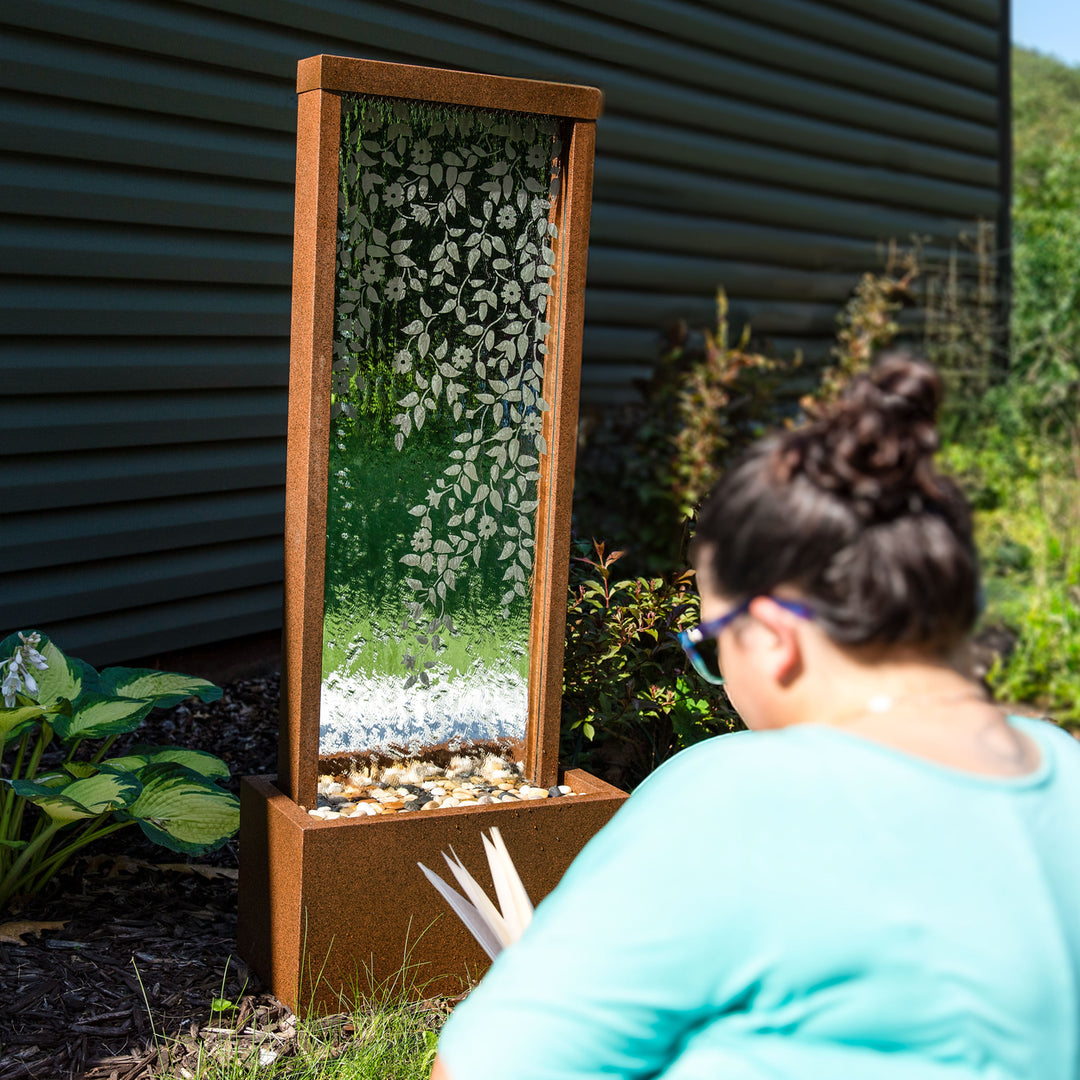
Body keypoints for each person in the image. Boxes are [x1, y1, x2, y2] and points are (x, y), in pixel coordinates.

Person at [431, 353, 1080, 1079]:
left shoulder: (736, 793)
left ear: (772, 636)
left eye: (708, 643)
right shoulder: (1063, 770)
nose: (716, 676)